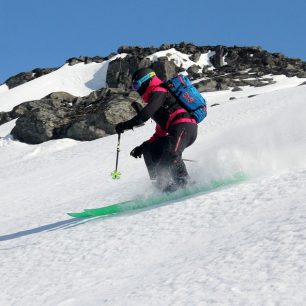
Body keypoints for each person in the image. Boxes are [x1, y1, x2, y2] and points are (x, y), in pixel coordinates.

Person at [115, 67, 198, 191]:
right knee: (150, 149)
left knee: (171, 154)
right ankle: (161, 186)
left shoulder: (160, 91)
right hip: (175, 129)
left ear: (147, 81)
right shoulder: (157, 105)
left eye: (137, 85)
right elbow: (160, 132)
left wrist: (124, 125)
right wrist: (142, 147)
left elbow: (144, 115)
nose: (137, 90)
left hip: (185, 127)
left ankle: (185, 184)